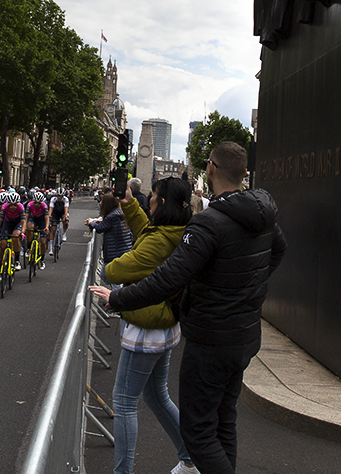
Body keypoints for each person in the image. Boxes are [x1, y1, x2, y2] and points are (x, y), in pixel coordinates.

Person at [97, 141, 286, 474]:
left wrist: (116, 299)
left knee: (198, 434)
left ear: (210, 169)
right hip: (244, 335)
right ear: (244, 173)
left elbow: (168, 279)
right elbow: (278, 251)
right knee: (223, 422)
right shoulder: (262, 215)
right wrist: (246, 289)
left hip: (211, 339)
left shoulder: (209, 223)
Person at [90, 177, 199, 474]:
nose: (147, 200)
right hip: (164, 324)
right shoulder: (178, 230)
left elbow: (120, 267)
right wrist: (127, 204)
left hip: (146, 326)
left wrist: (110, 267)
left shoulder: (160, 240)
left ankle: (123, 472)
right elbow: (145, 231)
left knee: (124, 402)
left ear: (161, 203)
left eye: (151, 197)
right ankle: (190, 457)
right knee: (156, 395)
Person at [87, 191, 134, 272]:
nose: (100, 203)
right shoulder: (117, 214)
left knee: (109, 276)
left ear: (107, 204)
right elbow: (106, 225)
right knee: (109, 275)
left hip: (115, 253)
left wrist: (90, 222)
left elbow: (99, 228)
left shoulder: (112, 216)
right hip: (122, 251)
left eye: (102, 201)